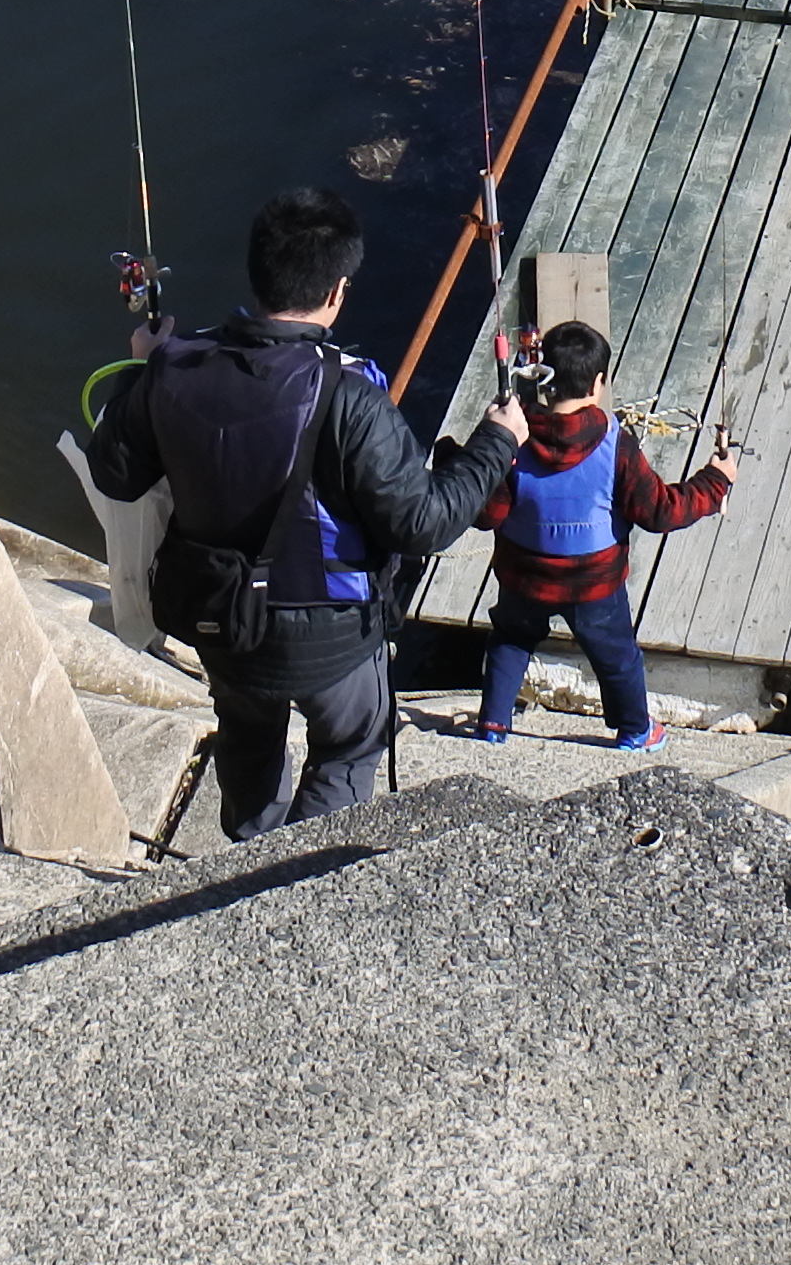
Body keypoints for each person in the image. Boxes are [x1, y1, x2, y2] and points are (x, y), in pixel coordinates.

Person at [75, 190, 513, 841]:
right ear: (337, 291)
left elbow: (114, 471)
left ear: (257, 275)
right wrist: (497, 441)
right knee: (351, 747)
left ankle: (251, 854)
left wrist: (140, 367)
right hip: (333, 634)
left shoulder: (172, 370)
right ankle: (296, 874)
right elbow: (422, 523)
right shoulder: (352, 393)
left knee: (249, 743)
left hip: (220, 618)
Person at [463, 324, 729, 749]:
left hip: (524, 577)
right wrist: (715, 481)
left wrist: (457, 455)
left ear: (540, 374)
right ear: (600, 382)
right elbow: (661, 511)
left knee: (510, 639)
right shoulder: (616, 443)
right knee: (617, 657)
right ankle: (635, 730)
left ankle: (493, 725)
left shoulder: (511, 438)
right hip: (595, 585)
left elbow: (486, 514)